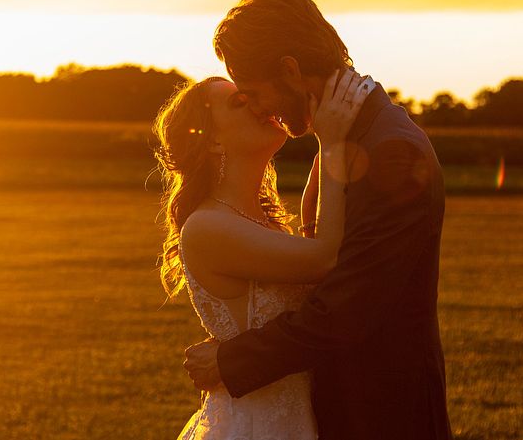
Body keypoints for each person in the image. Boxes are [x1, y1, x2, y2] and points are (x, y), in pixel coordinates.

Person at [183, 0, 453, 440]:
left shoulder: (389, 151)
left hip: (381, 415)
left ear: (289, 69)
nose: (258, 109)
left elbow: (346, 310)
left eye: (252, 92)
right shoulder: (356, 139)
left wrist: (233, 359)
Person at [153, 69, 371, 439]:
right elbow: (325, 260)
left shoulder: (260, 220)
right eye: (241, 102)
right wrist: (331, 143)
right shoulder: (208, 226)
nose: (259, 105)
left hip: (298, 419)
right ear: (213, 142)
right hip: (255, 426)